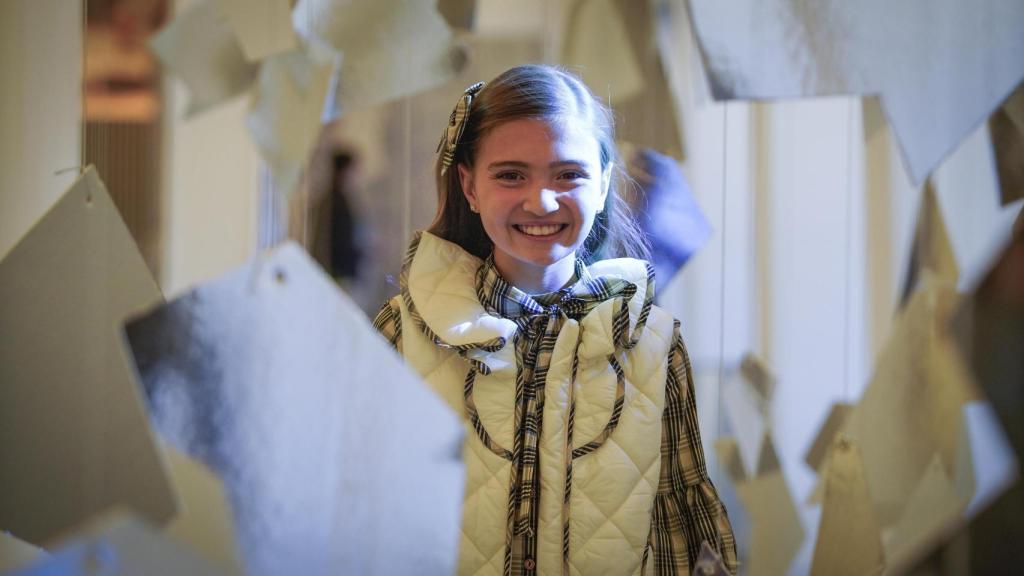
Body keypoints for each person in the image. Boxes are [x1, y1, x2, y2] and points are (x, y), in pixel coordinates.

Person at [373, 64, 736, 576]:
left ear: (604, 181)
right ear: (469, 185)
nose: (541, 200)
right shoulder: (404, 330)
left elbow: (682, 525)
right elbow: (359, 517)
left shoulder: (653, 342)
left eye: (568, 174)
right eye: (510, 174)